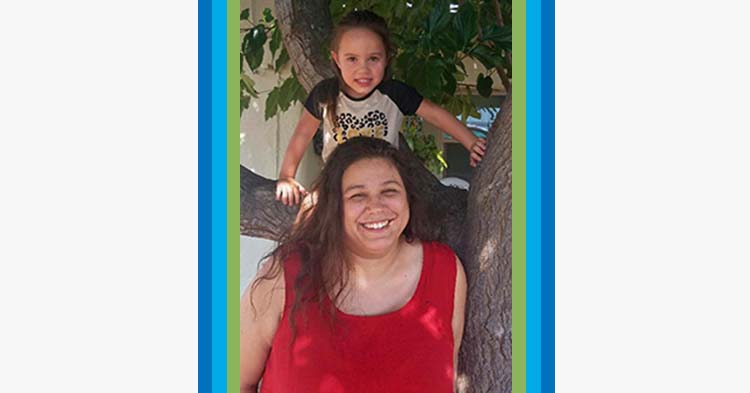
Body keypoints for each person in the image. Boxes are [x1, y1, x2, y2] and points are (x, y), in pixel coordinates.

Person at [241, 137, 467, 393]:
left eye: (389, 191)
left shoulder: (445, 272)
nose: (376, 206)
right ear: (334, 207)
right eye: (357, 195)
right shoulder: (284, 276)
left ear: (408, 198)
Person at [275, 9, 487, 206]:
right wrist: (286, 176)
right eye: (352, 59)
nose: (363, 69)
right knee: (309, 211)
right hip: (337, 181)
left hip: (384, 180)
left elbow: (435, 114)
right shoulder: (325, 94)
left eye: (373, 58)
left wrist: (471, 142)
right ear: (336, 59)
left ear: (387, 58)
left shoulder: (394, 93)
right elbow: (302, 134)